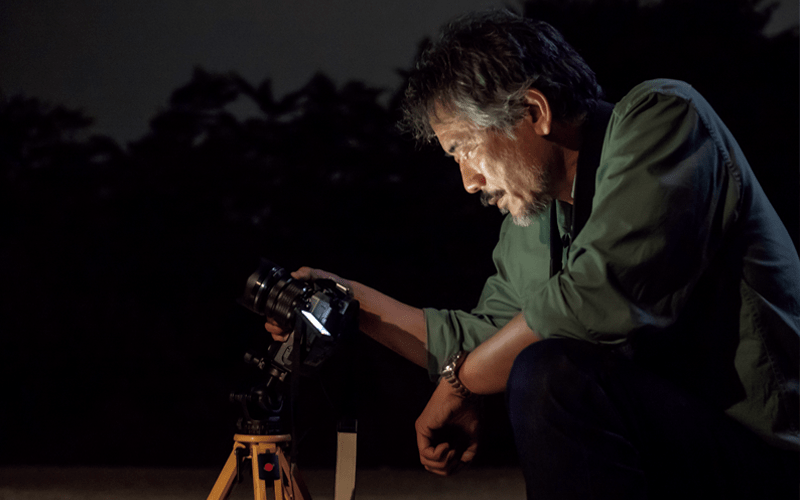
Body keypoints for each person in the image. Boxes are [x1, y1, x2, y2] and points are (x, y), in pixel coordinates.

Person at [265, 10, 800, 499]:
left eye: (465, 149)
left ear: (534, 110)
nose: (468, 182)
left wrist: (460, 383)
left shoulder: (664, 120)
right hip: (676, 451)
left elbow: (596, 297)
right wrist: (349, 301)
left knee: (551, 375)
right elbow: (488, 343)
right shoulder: (534, 218)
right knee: (537, 363)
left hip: (765, 458)